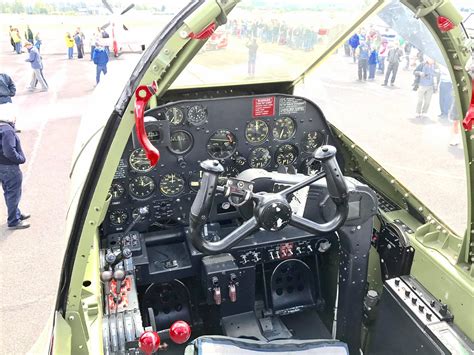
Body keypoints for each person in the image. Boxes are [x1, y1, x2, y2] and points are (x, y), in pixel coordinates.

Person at [0, 103, 30, 230]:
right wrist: (20, 159)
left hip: (1, 166)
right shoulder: (7, 130)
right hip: (9, 167)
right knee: (13, 193)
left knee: (9, 192)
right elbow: (9, 151)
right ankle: (13, 220)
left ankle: (16, 213)